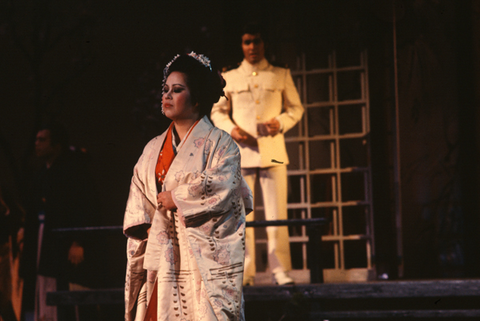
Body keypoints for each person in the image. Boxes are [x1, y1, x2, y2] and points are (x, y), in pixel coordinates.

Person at [123, 52, 253, 321]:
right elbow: (139, 202)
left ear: (197, 97)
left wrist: (178, 197)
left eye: (177, 90)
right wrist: (150, 226)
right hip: (162, 253)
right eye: (166, 90)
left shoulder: (221, 144)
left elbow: (225, 189)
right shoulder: (151, 149)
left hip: (200, 258)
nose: (167, 96)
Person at [210, 23, 304, 286]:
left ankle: (280, 269)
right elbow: (217, 111)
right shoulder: (231, 75)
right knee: (242, 214)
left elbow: (296, 108)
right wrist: (231, 129)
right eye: (247, 42)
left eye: (257, 41)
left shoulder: (280, 74)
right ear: (241, 45)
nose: (252, 47)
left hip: (272, 151)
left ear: (265, 44)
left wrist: (281, 122)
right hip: (242, 152)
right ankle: (246, 271)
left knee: (277, 213)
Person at [21, 121, 99, 321]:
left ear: (56, 145)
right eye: (36, 140)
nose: (37, 144)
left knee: (64, 288)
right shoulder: (42, 174)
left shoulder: (72, 172)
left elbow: (85, 207)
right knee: (44, 284)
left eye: (42, 140)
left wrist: (78, 241)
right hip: (43, 239)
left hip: (59, 243)